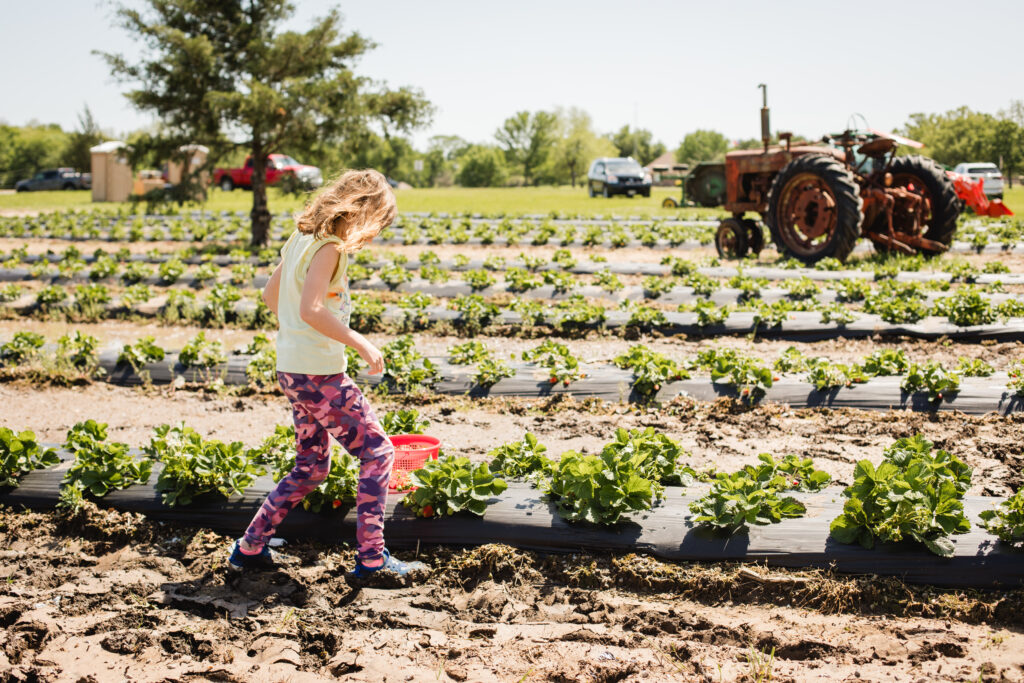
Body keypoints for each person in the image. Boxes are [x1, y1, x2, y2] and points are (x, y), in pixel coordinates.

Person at [228, 169, 426, 583]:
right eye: (377, 224)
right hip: (320, 376)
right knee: (378, 453)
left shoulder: (301, 238)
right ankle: (372, 559)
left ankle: (249, 548)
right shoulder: (330, 247)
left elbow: (271, 296)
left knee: (312, 466)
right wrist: (360, 343)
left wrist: (299, 339)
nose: (373, 235)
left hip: (292, 370)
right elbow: (311, 309)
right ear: (360, 212)